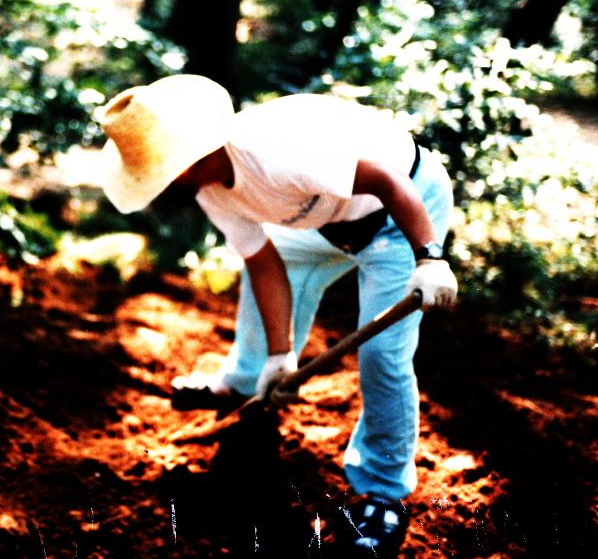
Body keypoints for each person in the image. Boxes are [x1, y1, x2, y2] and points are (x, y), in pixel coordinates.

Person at [94, 74, 457, 558]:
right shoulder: (211, 190)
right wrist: (280, 355)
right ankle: (248, 381)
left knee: (381, 354)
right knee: (261, 291)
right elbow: (264, 264)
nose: (166, 184)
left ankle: (383, 494)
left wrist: (430, 257)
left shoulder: (276, 150)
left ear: (188, 159)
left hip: (401, 207)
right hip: (324, 222)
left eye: (163, 171)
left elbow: (387, 181)